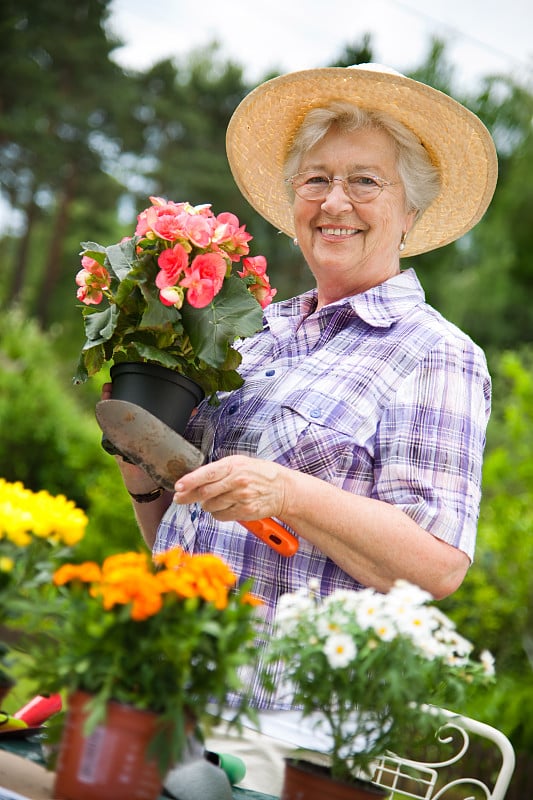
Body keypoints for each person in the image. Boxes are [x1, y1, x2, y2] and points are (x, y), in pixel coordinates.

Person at [103, 64, 497, 794]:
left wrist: (286, 491)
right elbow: (179, 538)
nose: (334, 201)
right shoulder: (252, 333)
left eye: (365, 182)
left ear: (411, 210)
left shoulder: (434, 354)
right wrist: (141, 468)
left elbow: (437, 567)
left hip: (289, 739)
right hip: (167, 698)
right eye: (315, 180)